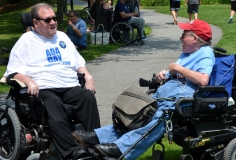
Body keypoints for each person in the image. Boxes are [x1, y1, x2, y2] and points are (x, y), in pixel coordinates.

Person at [71, 19, 215, 159]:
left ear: (195, 38)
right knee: (138, 113)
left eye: (184, 34)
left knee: (159, 119)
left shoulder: (206, 53)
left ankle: (120, 148)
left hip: (182, 97)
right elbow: (177, 72)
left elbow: (203, 80)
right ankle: (99, 136)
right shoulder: (187, 52)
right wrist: (164, 75)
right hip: (170, 91)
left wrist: (178, 69)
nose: (180, 37)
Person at [3, 3, 101, 160]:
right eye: (48, 20)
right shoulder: (26, 41)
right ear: (35, 22)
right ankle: (71, 151)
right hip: (44, 88)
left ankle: (97, 145)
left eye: (54, 18)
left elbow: (79, 64)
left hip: (68, 86)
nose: (53, 22)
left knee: (87, 97)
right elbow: (12, 72)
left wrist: (88, 77)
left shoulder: (62, 37)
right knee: (53, 102)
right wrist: (28, 81)